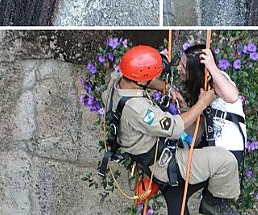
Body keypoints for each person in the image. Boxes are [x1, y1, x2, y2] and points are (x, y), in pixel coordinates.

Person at [102, 45, 240, 215]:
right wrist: (203, 103)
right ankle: (212, 202)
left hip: (156, 144)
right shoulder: (140, 110)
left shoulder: (117, 81)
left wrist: (165, 87)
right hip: (164, 161)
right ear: (141, 79)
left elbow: (139, 79)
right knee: (226, 160)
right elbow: (174, 127)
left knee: (198, 125)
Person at [177, 44, 246, 164]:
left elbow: (233, 96)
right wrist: (186, 108)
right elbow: (205, 118)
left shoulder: (218, 79)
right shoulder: (201, 86)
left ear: (196, 70)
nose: (178, 68)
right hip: (211, 147)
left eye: (183, 66)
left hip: (227, 151)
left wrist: (212, 67)